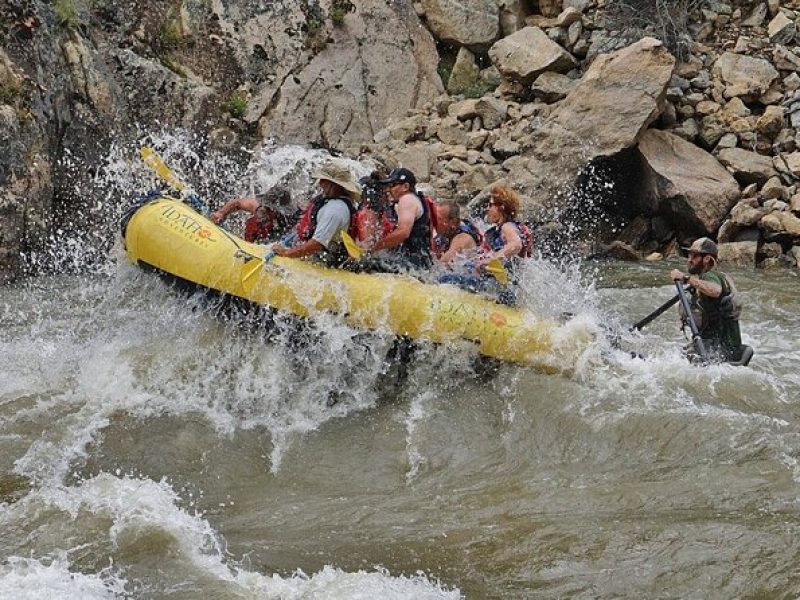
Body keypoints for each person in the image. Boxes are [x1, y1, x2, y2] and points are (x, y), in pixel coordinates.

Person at [439, 185, 532, 305]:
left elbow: (516, 245)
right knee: (466, 266)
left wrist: (489, 260)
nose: (487, 209)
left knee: (445, 279)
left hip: (497, 288)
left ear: (501, 208)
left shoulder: (507, 227)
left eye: (491, 205)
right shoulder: (507, 226)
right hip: (505, 288)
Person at [669, 237, 750, 364]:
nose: (689, 260)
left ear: (706, 259)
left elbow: (715, 291)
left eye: (694, 256)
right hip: (721, 349)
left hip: (717, 352)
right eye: (689, 255)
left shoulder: (710, 275)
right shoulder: (717, 277)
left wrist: (684, 278)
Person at [271, 160, 360, 266]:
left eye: (324, 180)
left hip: (325, 261)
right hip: (317, 254)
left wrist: (286, 253)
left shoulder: (335, 209)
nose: (320, 183)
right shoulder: (330, 201)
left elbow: (316, 244)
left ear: (334, 185)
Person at [365, 168, 434, 271]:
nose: (388, 189)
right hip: (419, 261)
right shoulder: (415, 199)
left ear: (405, 187)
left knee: (365, 265)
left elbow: (403, 233)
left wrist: (373, 249)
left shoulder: (407, 200)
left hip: (412, 263)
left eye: (393, 185)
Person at [210, 187, 292, 243]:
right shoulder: (259, 208)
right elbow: (237, 203)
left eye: (272, 210)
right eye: (267, 208)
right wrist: (221, 213)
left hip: (275, 238)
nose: (268, 211)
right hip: (254, 239)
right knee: (253, 224)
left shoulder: (288, 219)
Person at [433, 199, 481, 264]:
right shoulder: (444, 233)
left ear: (454, 222)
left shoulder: (463, 238)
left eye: (439, 219)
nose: (434, 222)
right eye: (434, 217)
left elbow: (444, 264)